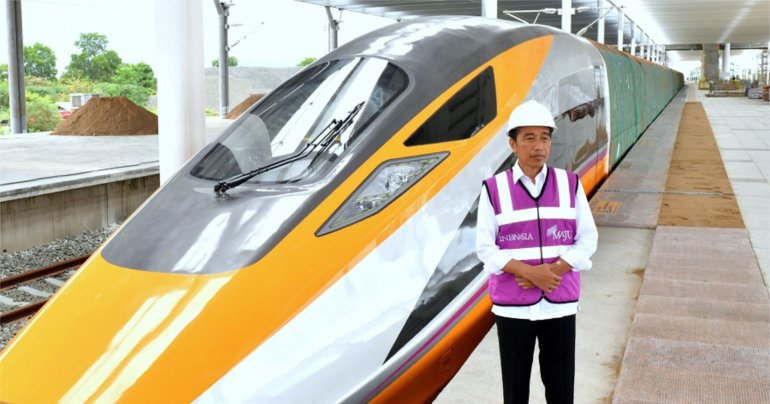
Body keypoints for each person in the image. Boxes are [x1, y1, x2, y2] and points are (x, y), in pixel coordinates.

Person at [476, 100, 598, 404]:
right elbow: (485, 248)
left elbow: (588, 239)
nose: (538, 146)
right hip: (513, 307)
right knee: (515, 391)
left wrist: (549, 273)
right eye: (529, 138)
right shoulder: (494, 189)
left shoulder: (569, 184)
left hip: (560, 304)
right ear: (512, 143)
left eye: (544, 137)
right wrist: (529, 272)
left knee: (561, 389)